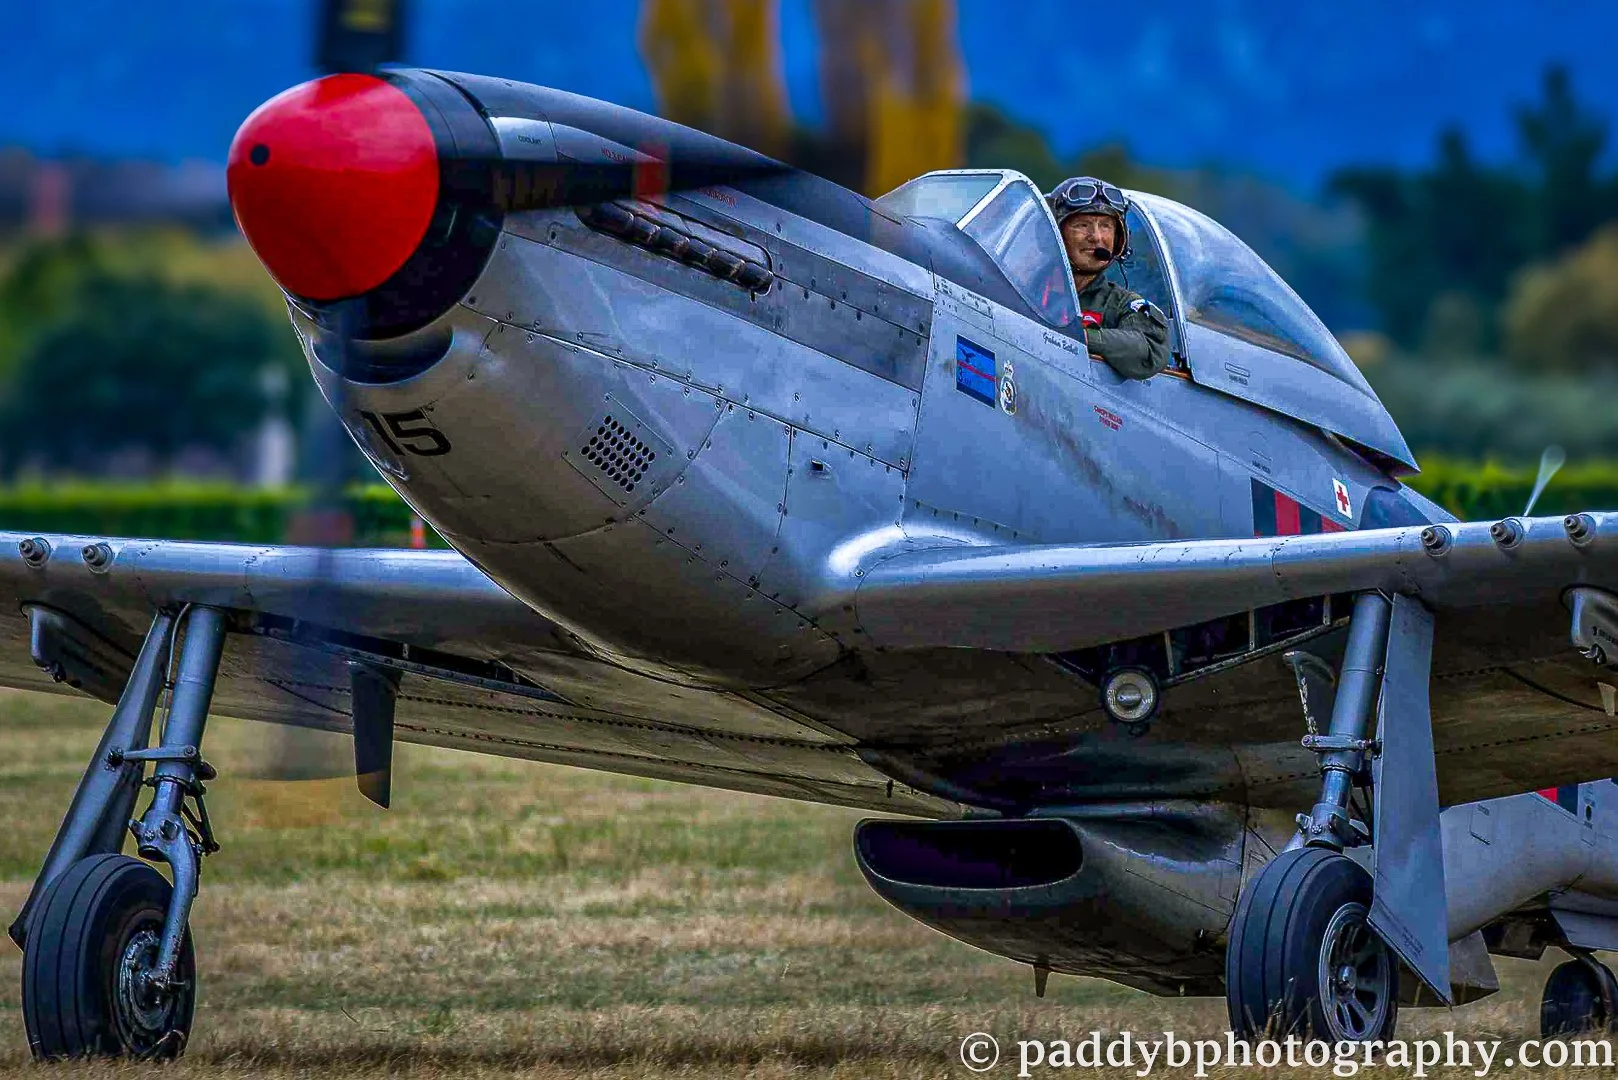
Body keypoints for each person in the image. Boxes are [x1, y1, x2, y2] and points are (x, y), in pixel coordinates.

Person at [1045, 176, 1170, 380]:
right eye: (1082, 225)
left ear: (1120, 239)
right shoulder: (1025, 288)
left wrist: (1082, 338)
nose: (1096, 237)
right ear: (1053, 233)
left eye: (1105, 226)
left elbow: (1149, 349)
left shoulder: (1123, 305)